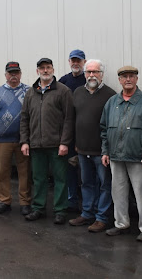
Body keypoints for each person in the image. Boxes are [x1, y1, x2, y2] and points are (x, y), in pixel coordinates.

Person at [101, 66, 142, 242]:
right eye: (124, 77)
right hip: (115, 156)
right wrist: (105, 151)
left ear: (136, 79)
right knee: (118, 192)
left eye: (131, 76)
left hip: (138, 157)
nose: (128, 79)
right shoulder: (112, 102)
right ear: (119, 80)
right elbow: (104, 129)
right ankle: (121, 224)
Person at [20, 58, 74, 225]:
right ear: (37, 71)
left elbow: (69, 119)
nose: (45, 71)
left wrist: (65, 142)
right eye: (42, 68)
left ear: (53, 70)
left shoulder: (63, 91)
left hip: (57, 145)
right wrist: (25, 141)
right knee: (38, 179)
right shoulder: (31, 93)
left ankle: (60, 210)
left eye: (48, 67)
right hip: (36, 144)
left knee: (60, 179)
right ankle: (38, 208)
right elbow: (24, 118)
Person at [68, 59, 116, 232]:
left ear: (102, 74)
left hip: (101, 151)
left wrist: (107, 149)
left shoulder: (110, 95)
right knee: (86, 183)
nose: (91, 75)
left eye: (95, 72)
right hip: (82, 149)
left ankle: (102, 218)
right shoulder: (78, 92)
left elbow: (112, 125)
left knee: (104, 185)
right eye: (88, 72)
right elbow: (73, 119)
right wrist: (75, 143)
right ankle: (87, 213)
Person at [0, 61, 32, 216]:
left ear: (21, 74)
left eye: (16, 73)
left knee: (25, 172)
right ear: (5, 75)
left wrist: (29, 138)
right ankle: (4, 201)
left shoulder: (28, 92)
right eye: (10, 73)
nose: (13, 76)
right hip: (2, 140)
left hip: (23, 140)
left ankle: (25, 202)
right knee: (3, 172)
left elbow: (33, 115)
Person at [58, 49, 86, 213]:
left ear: (84, 62)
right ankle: (72, 202)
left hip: (84, 134)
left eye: (79, 60)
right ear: (69, 62)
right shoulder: (63, 81)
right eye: (73, 60)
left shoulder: (88, 79)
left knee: (87, 173)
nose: (76, 63)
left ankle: (88, 206)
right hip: (68, 134)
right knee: (69, 171)